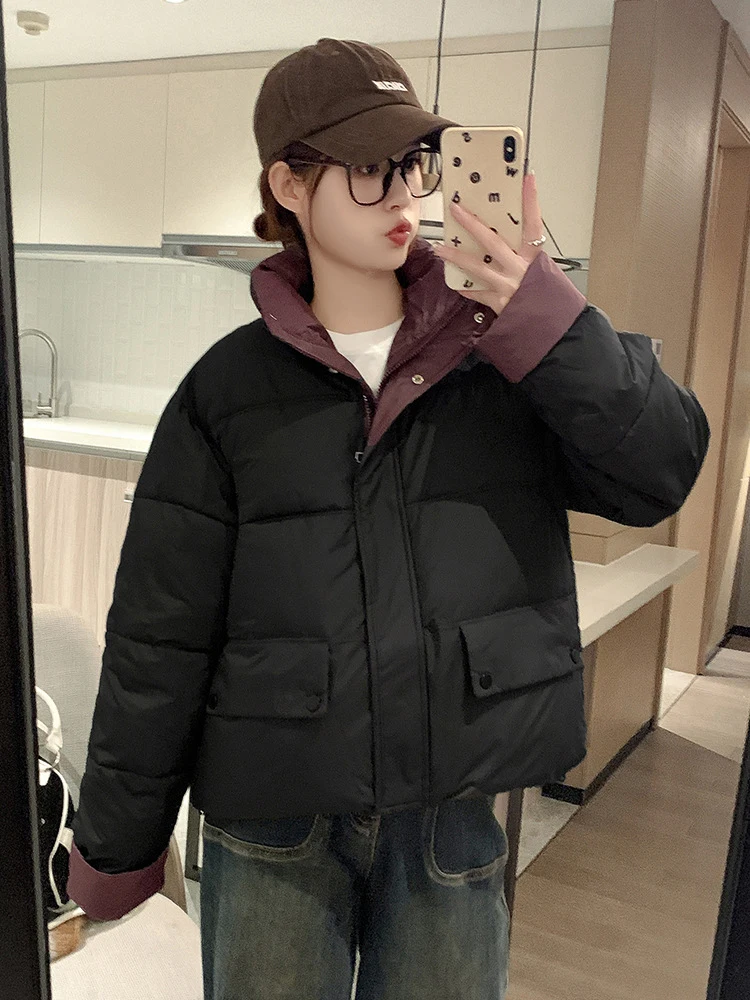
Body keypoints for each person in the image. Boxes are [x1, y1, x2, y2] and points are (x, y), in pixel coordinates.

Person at [66, 36, 710, 1000]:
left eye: (412, 164)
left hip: (449, 809)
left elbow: (660, 471)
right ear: (289, 184)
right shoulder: (225, 393)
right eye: (369, 168)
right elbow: (160, 637)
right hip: (272, 821)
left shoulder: (508, 357)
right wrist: (118, 848)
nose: (404, 193)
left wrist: (545, 313)